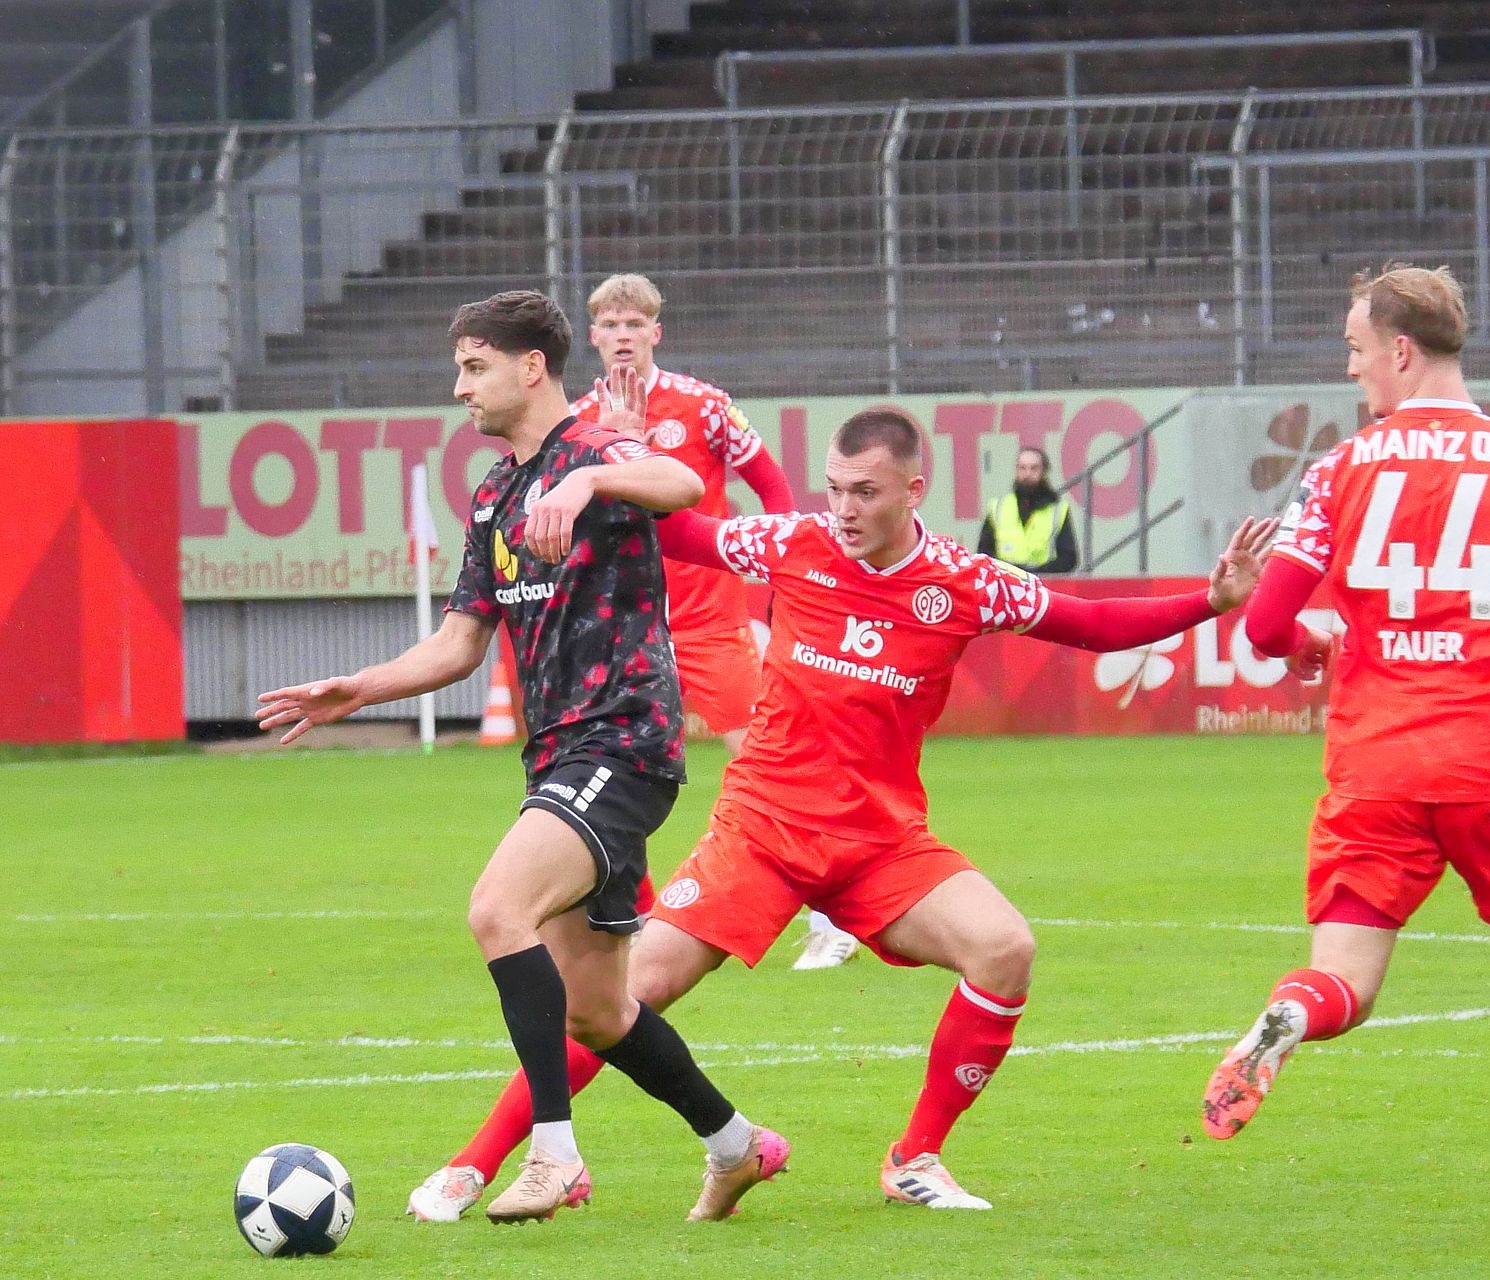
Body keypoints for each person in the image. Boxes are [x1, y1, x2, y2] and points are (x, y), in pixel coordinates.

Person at [407, 407, 1277, 1221]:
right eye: (834, 488)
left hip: (880, 841)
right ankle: (478, 1163)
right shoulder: (794, 542)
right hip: (762, 829)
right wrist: (614, 463)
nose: (845, 509)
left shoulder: (965, 582)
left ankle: (914, 1159)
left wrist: (1211, 601)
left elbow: (1089, 623)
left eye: (865, 491)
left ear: (913, 490)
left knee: (1005, 949)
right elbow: (679, 531)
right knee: (622, 997)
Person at [258, 291, 787, 1225]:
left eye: (474, 367)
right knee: (597, 1012)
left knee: (496, 909)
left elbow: (681, 484)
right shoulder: (494, 495)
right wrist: (357, 689)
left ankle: (555, 1156)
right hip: (558, 756)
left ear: (530, 367)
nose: (459, 387)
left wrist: (588, 484)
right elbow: (460, 643)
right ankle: (735, 1144)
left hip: (623, 739)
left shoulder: (596, 449)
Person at [1198, 265, 1490, 1241]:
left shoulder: (1339, 469)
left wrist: (1308, 644)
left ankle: (1291, 1014)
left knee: (1343, 983)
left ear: (1401, 349)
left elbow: (1262, 627)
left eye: (1357, 350)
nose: (1352, 370)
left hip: (1375, 763)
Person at [571, 273, 860, 971]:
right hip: (626, 627)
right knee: (607, 766)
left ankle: (833, 916)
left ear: (656, 332)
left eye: (635, 324)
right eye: (611, 325)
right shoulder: (578, 420)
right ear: (593, 336)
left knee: (767, 762)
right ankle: (633, 918)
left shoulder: (705, 405)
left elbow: (771, 484)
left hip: (707, 621)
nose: (623, 336)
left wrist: (785, 564)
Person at [977, 447, 1078, 573]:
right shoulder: (998, 507)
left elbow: (1069, 559)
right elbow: (984, 554)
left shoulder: (1058, 510)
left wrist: (1035, 572)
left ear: (1044, 472)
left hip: (1042, 581)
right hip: (1006, 581)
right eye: (1022, 468)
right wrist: (1009, 571)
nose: (1027, 474)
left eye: (1034, 468)